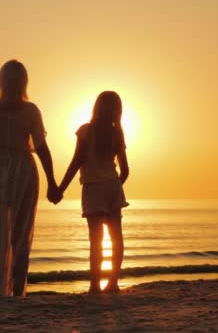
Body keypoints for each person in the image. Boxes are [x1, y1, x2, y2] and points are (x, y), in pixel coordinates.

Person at [0, 60, 61, 298]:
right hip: (23, 171)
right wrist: (53, 183)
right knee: (20, 234)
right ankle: (18, 290)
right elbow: (42, 148)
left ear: (0, 81)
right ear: (24, 82)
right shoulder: (29, 111)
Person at [58, 90, 130, 294]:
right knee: (116, 237)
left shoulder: (86, 131)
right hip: (112, 187)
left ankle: (95, 285)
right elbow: (125, 170)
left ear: (96, 107)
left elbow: (76, 162)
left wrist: (60, 189)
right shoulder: (117, 134)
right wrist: (115, 187)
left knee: (95, 239)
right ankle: (113, 282)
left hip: (93, 189)